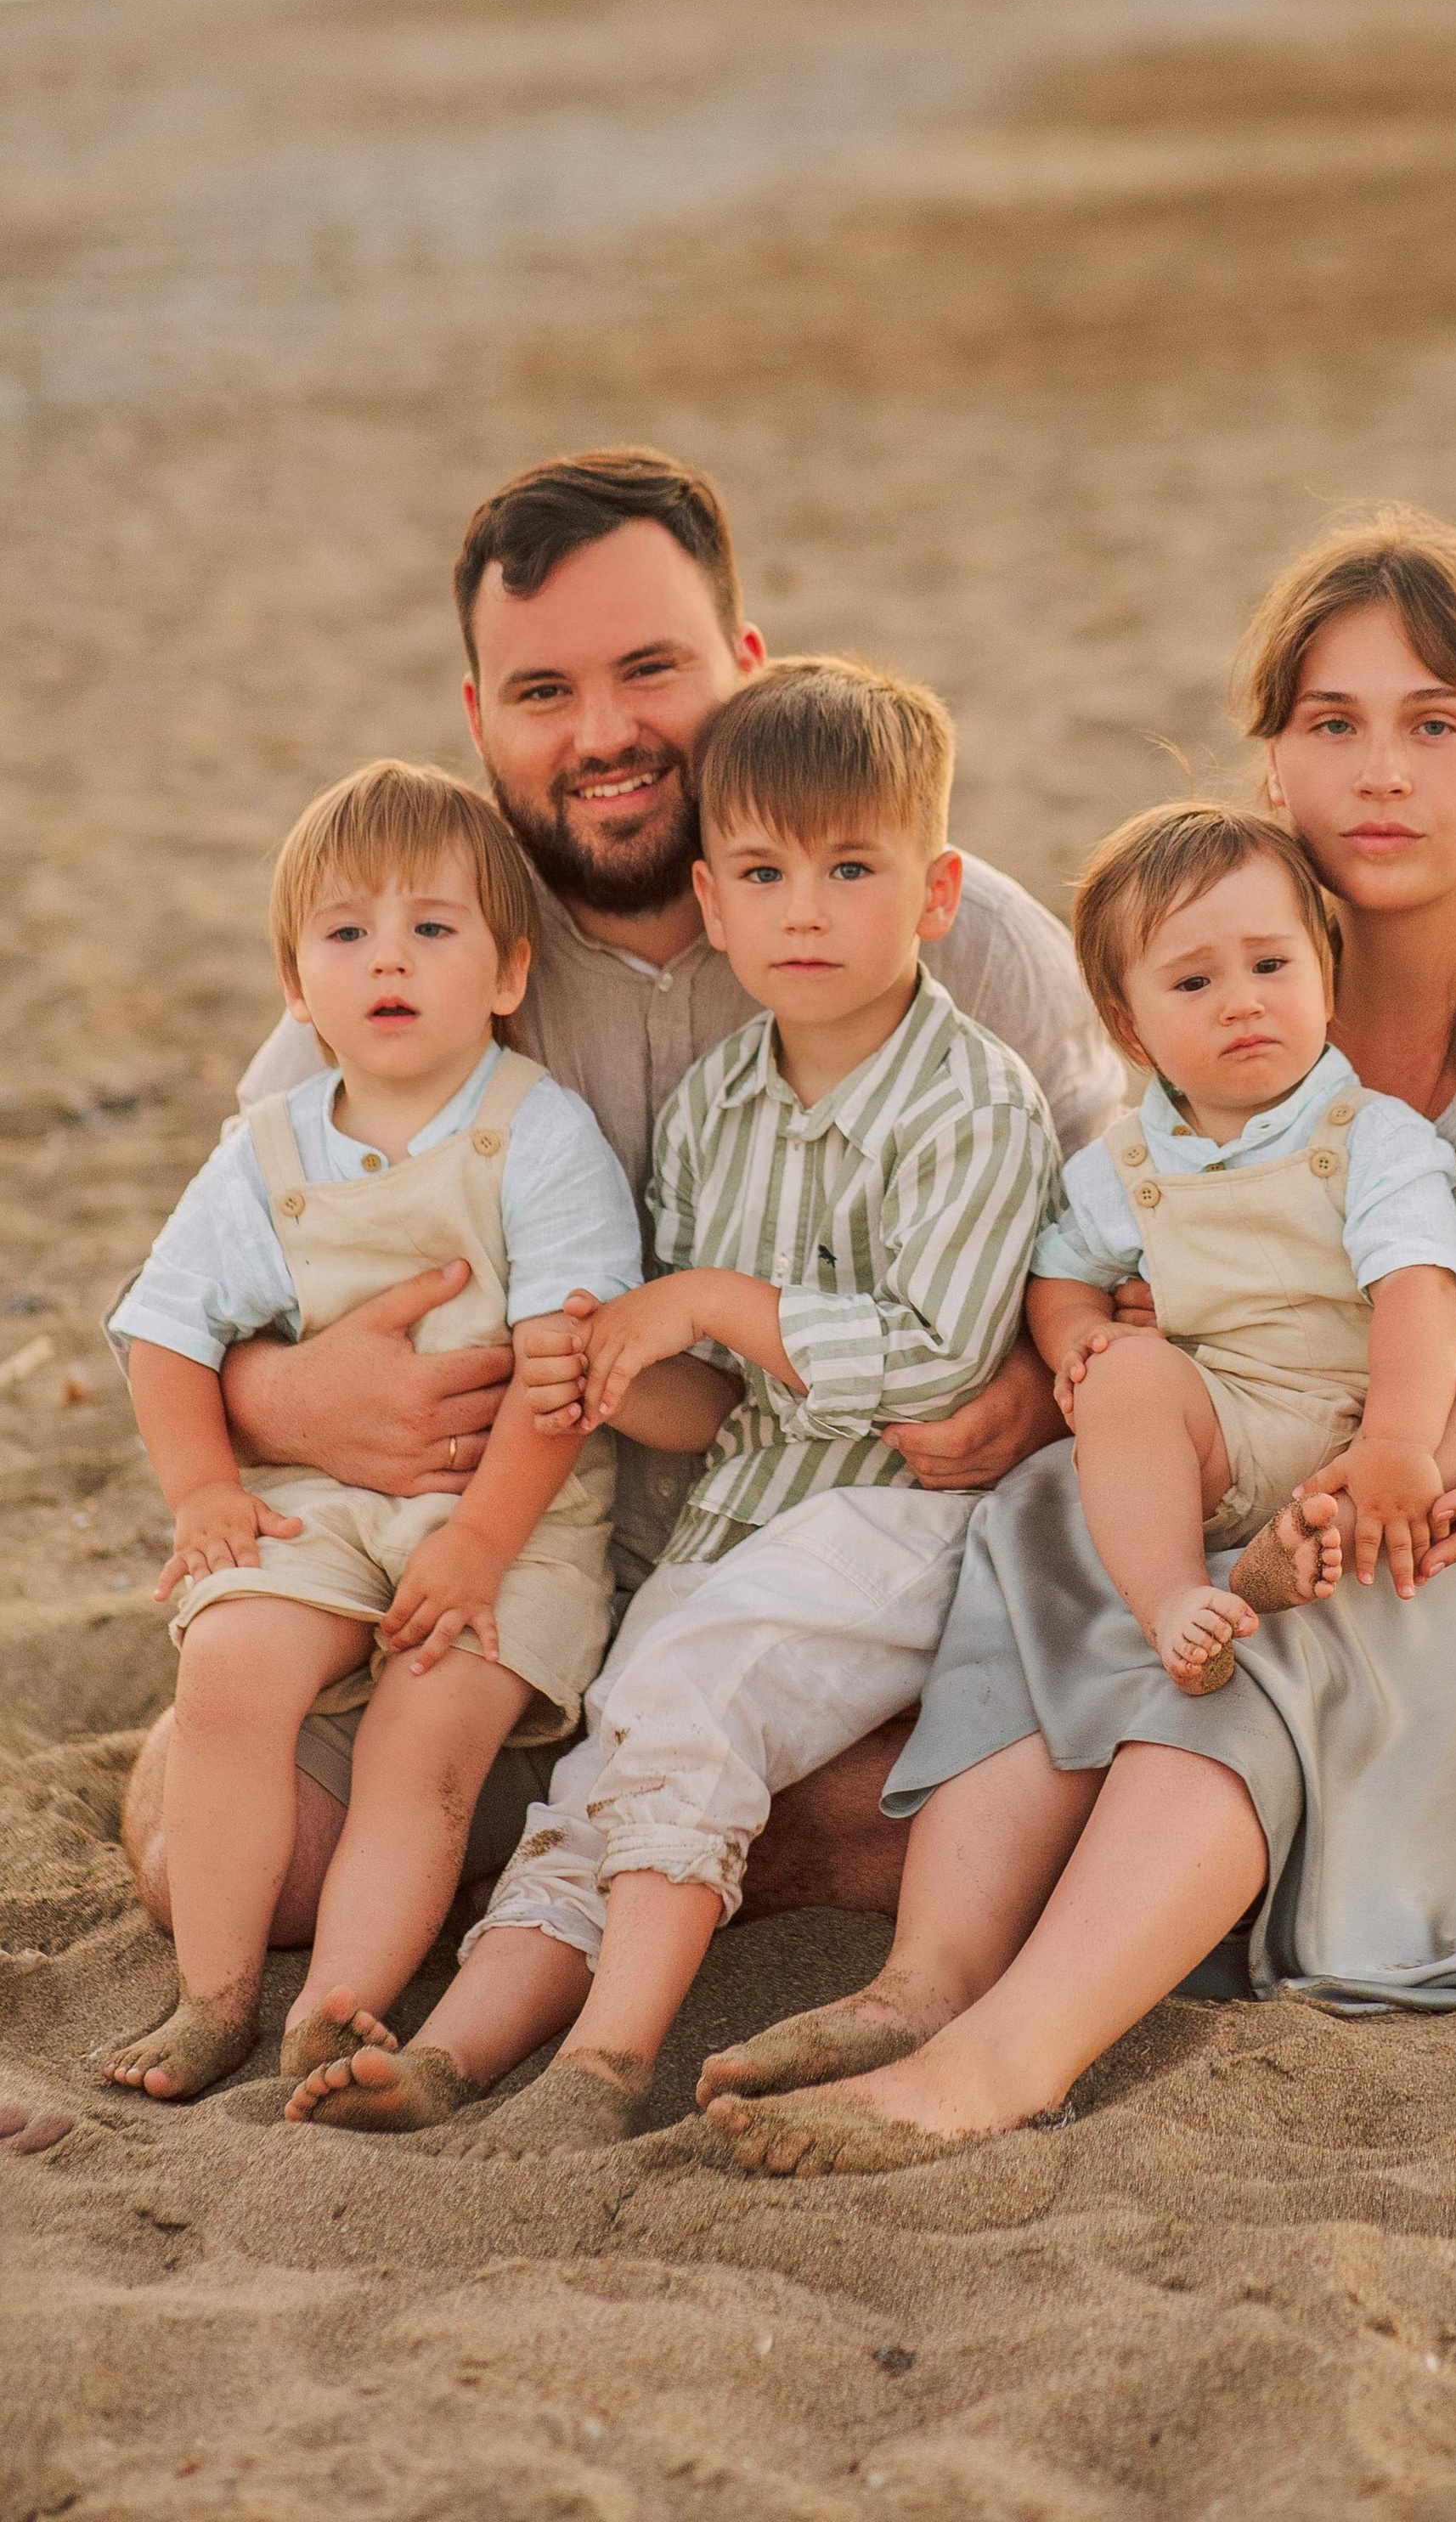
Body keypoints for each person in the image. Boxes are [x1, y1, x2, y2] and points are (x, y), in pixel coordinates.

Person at [694, 505, 1456, 2175]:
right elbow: (1130, 1277)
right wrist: (1089, 1358)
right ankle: (923, 1986)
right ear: (1272, 768)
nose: (1378, 772)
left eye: (1434, 725)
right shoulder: (1224, 1029)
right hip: (1349, 1522)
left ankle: (1004, 2065)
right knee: (1061, 1520)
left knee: (1292, 1633)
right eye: (1330, 726)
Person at [117, 449, 1125, 1966]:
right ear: (477, 717)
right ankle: (529, 1830)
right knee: (223, 1870)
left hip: (816, 1571)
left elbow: (1131, 1228)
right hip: (485, 1574)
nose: (604, 737)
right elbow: (223, 1264)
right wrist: (294, 1395)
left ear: (746, 662)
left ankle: (580, 1846)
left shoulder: (955, 934)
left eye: (653, 671)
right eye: (541, 694)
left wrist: (1045, 1385)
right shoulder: (421, 942)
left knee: (914, 1800)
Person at [285, 657, 1059, 2141]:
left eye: (851, 870)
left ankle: (607, 2064)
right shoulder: (718, 1106)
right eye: (764, 875)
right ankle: (449, 2053)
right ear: (714, 906)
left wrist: (704, 1303)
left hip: (909, 1521)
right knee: (604, 1772)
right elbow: (719, 1411)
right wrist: (606, 1374)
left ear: (938, 892)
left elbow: (942, 1368)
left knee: (691, 1708)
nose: (808, 911)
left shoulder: (972, 1105)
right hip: (741, 1528)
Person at [101, 763, 711, 2101]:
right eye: (347, 934)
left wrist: (483, 1544)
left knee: (423, 1736)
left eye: (432, 930)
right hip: (320, 1497)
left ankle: (339, 2003)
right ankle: (212, 1999)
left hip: (517, 1518)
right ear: (294, 981)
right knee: (232, 1670)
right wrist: (206, 1489)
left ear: (505, 972)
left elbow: (565, 1367)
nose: (390, 960)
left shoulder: (537, 1134)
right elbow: (163, 1329)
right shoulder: (263, 1151)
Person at [1031, 798, 1456, 1694]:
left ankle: (1318, 1529)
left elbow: (1417, 1286)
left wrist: (1397, 1441)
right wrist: (1076, 1344)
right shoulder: (1123, 1164)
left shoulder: (1372, 1134)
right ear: (1128, 1027)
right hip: (1230, 1432)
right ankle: (1174, 1597)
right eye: (1192, 984)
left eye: (1270, 964)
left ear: (1325, 973)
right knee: (1123, 1379)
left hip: (1386, 1409)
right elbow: (1059, 1275)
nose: (1241, 1001)